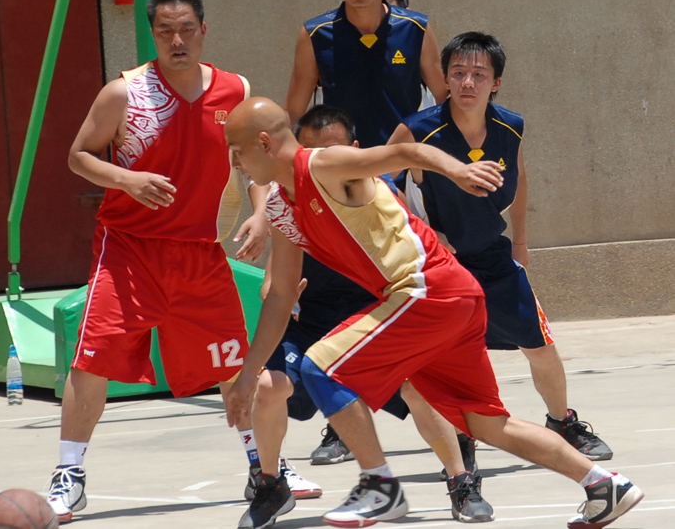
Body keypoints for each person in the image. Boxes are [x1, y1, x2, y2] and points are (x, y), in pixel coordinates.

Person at [223, 97, 642, 529]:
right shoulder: (280, 205)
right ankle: (603, 484)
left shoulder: (321, 165)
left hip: (427, 288)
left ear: (264, 143)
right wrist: (248, 375)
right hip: (447, 299)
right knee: (487, 423)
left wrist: (458, 171)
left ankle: (379, 486)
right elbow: (280, 296)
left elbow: (406, 151)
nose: (234, 163)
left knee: (322, 367)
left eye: (237, 150)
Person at [46, 0, 269, 523]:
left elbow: (254, 161)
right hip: (129, 250)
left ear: (203, 30)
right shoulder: (123, 93)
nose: (177, 40)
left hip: (200, 253)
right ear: (153, 35)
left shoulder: (236, 90)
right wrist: (126, 178)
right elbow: (78, 156)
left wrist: (262, 212)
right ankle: (69, 475)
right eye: (166, 31)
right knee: (92, 358)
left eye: (186, 29)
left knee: (234, 363)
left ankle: (265, 470)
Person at [240, 105, 492, 528]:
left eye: (333, 152)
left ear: (354, 153)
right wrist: (278, 301)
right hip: (313, 317)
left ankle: (460, 479)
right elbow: (276, 288)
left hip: (372, 310)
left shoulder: (372, 190)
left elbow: (409, 168)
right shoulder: (287, 200)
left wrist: (457, 172)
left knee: (418, 387)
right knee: (267, 386)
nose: (322, 160)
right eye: (313, 151)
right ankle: (271, 484)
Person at [389, 31, 614, 461]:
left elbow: (520, 179)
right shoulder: (417, 130)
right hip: (438, 263)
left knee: (541, 347)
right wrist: (422, 232)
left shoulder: (511, 126)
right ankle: (461, 439)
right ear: (444, 78)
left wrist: (521, 241)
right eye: (458, 72)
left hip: (493, 254)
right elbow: (378, 180)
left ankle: (562, 422)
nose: (467, 82)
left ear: (496, 82)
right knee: (443, 361)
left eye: (479, 74)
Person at [284, 0, 447, 147]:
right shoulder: (314, 34)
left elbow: (444, 99)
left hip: (402, 158)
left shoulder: (416, 28)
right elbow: (294, 112)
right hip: (342, 158)